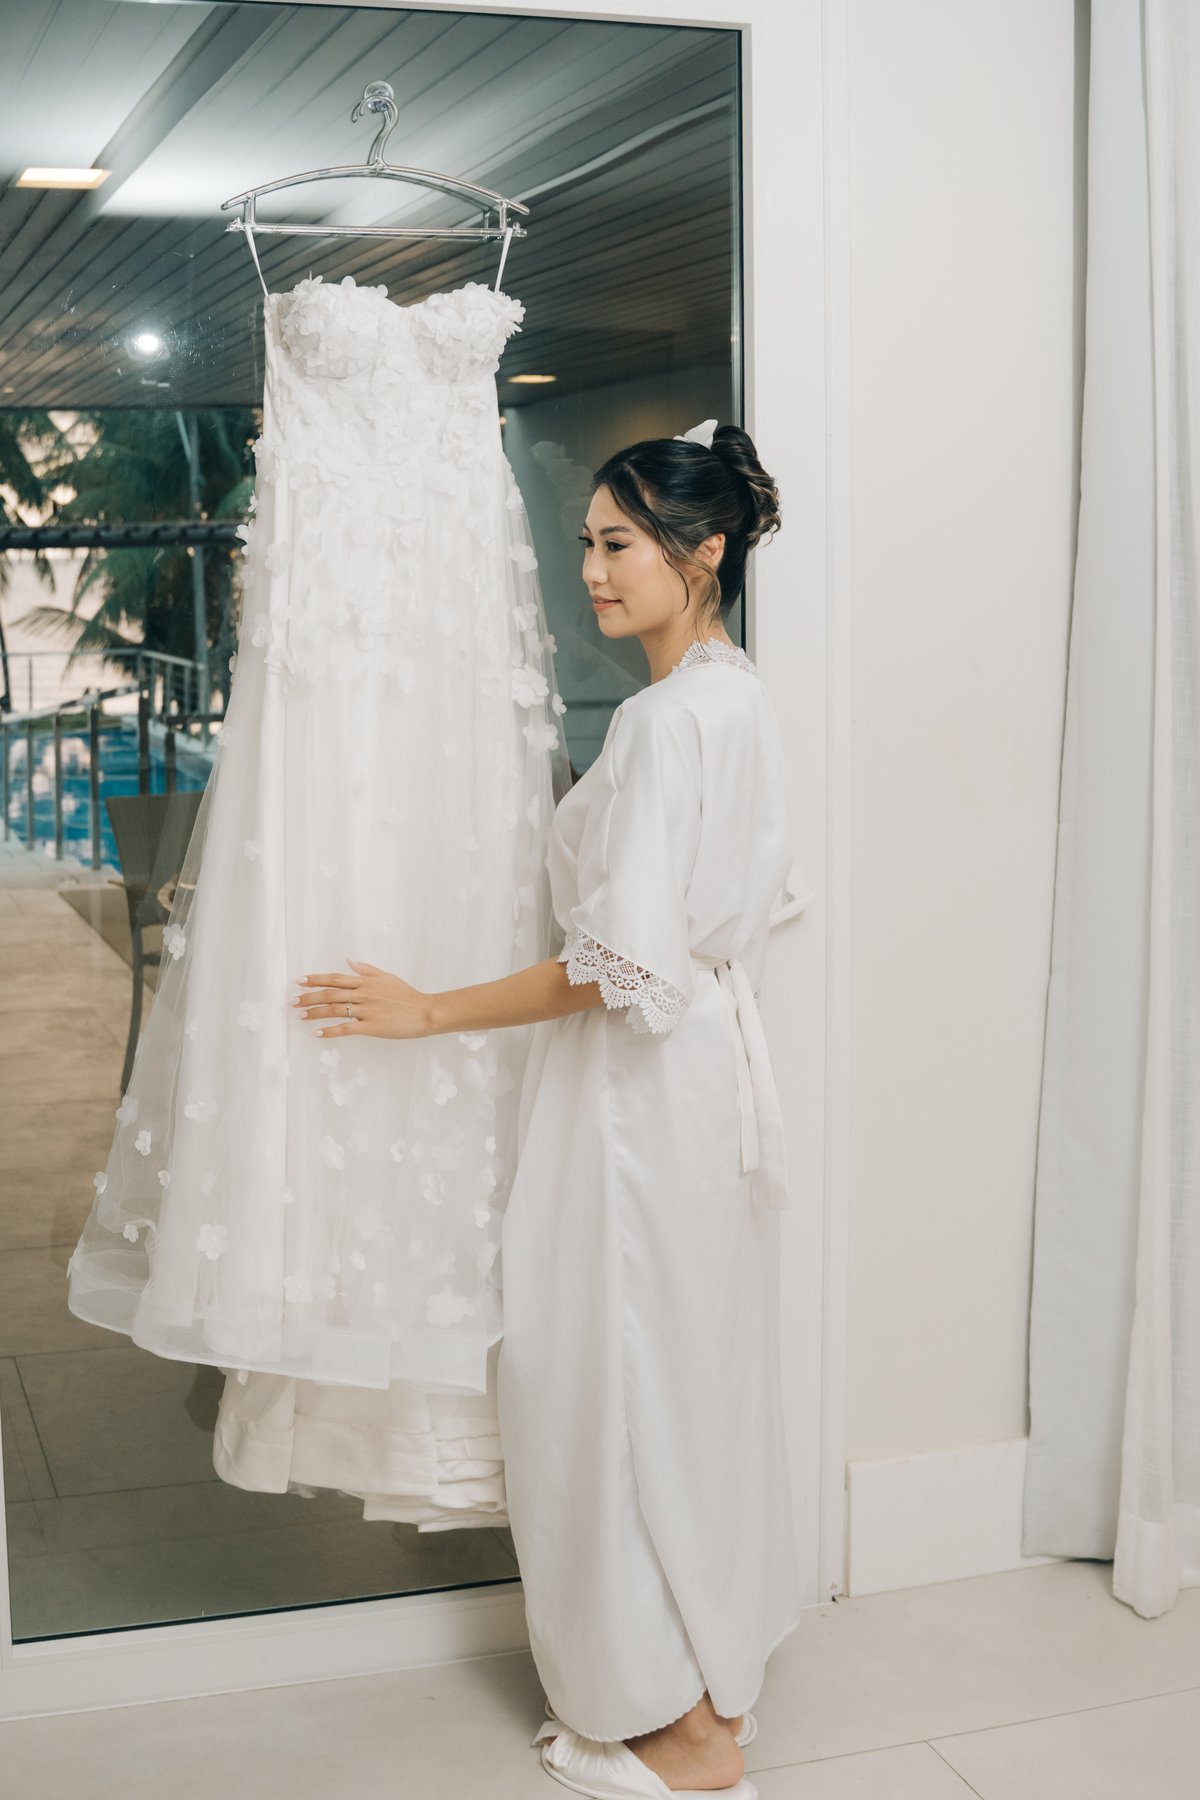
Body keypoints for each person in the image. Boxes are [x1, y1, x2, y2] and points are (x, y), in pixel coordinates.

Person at [294, 422, 799, 1800]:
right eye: (585, 540)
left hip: (636, 1097)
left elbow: (610, 966)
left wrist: (429, 1010)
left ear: (703, 553)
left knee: (599, 1385)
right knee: (679, 1382)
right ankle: (708, 1681)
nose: (591, 567)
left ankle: (667, 1727)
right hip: (698, 1084)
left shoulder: (658, 724)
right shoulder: (738, 697)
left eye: (619, 542)